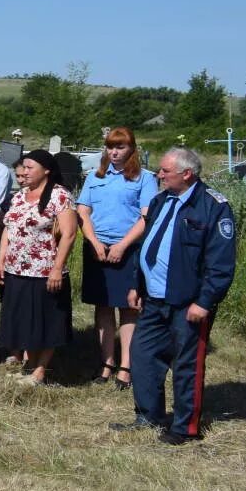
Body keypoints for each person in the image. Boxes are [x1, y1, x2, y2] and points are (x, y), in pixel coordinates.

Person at [117, 148, 236, 444]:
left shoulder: (212, 207)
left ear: (187, 173)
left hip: (188, 303)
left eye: (165, 171)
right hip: (154, 299)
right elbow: (146, 246)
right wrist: (137, 285)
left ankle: (185, 428)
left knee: (186, 365)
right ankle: (148, 415)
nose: (159, 175)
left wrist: (205, 301)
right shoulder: (160, 201)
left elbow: (220, 264)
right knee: (142, 357)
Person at [77, 126, 157, 388]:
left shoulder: (144, 178)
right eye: (110, 147)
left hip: (128, 247)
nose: (114, 152)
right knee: (103, 307)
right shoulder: (95, 177)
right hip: (98, 247)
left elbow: (146, 216)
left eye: (120, 147)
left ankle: (126, 366)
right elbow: (83, 211)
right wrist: (94, 241)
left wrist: (122, 245)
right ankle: (106, 363)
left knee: (128, 308)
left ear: (131, 149)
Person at [0, 150, 78, 383]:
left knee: (46, 320)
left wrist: (56, 268)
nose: (26, 172)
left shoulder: (60, 196)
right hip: (17, 269)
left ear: (46, 170)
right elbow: (8, 229)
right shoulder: (21, 195)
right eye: (25, 167)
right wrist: (1, 260)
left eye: (31, 167)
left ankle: (41, 370)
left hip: (44, 270)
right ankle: (30, 364)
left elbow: (70, 233)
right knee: (23, 319)